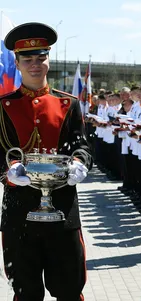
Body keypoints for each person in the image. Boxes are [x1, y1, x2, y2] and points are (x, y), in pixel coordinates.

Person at [0, 22, 91, 300]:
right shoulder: (2, 106)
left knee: (69, 290)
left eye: (41, 58)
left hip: (62, 211)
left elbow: (82, 144)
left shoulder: (68, 104)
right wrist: (8, 170)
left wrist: (80, 162)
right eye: (27, 59)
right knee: (25, 292)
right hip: (18, 213)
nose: (35, 65)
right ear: (16, 63)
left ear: (48, 60)